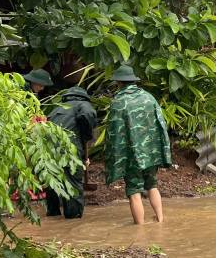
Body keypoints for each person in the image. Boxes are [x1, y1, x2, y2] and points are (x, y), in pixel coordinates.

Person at [104, 65, 173, 225]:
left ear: (119, 83)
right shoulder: (149, 98)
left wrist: (113, 159)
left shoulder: (119, 102)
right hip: (151, 152)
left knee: (134, 191)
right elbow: (161, 126)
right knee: (152, 185)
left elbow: (114, 134)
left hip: (131, 155)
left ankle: (139, 230)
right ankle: (160, 220)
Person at [45, 86, 98, 219]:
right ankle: (72, 217)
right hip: (69, 148)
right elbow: (88, 115)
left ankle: (53, 213)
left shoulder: (57, 108)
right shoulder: (83, 104)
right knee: (73, 181)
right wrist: (87, 134)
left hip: (49, 149)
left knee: (53, 182)